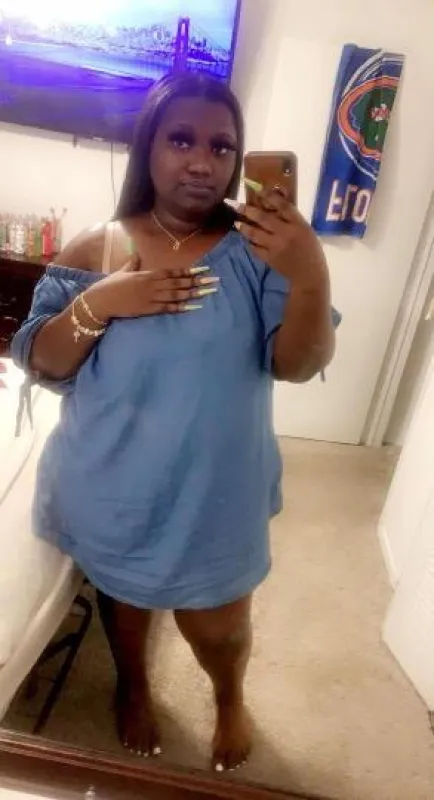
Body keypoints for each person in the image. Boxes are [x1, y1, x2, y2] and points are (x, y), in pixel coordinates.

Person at [11, 73, 339, 771]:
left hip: (216, 492)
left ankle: (228, 697)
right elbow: (42, 362)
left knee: (220, 626)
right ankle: (133, 684)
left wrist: (310, 273)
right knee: (124, 600)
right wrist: (102, 302)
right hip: (111, 483)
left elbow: (297, 364)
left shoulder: (257, 251)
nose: (201, 161)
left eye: (222, 147)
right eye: (181, 140)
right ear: (148, 148)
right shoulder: (98, 247)